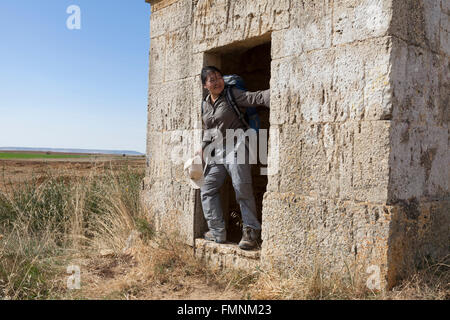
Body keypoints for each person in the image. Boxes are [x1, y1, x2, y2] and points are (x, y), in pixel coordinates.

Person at [198, 65, 270, 250]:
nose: (217, 81)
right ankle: (217, 231)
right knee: (207, 188)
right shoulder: (205, 104)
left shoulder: (232, 94)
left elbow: (255, 98)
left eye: (219, 77)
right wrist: (202, 149)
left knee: (241, 187)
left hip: (237, 145)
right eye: (212, 79)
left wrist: (280, 91)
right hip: (217, 150)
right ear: (205, 85)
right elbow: (208, 130)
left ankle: (251, 232)